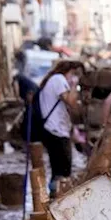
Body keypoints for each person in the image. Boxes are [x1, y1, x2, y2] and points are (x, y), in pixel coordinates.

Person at [34, 60, 83, 191]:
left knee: (58, 169)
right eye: (75, 74)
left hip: (53, 129)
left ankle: (54, 198)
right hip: (56, 130)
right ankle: (57, 199)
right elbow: (71, 102)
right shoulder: (58, 79)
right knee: (63, 171)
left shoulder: (54, 80)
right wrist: (75, 84)